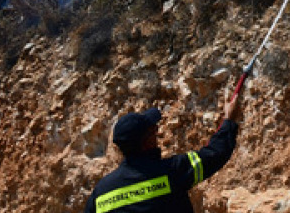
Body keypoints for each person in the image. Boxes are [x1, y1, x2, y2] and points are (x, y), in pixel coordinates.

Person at [84, 89, 242, 213]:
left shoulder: (101, 192)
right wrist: (229, 119)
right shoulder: (171, 172)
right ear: (146, 142)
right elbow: (215, 154)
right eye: (153, 131)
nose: (158, 133)